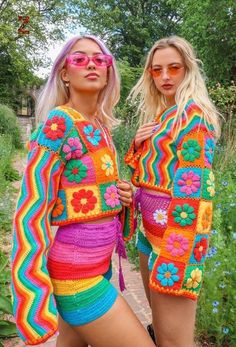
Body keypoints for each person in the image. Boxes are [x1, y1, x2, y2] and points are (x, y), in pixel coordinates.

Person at [11, 35, 155, 347]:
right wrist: (32, 293)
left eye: (100, 59)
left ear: (108, 71)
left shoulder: (100, 127)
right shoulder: (59, 124)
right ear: (65, 73)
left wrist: (122, 197)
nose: (91, 63)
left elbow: (91, 195)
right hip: (77, 275)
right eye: (80, 58)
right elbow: (31, 211)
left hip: (98, 266)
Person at [124, 36, 221, 347]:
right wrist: (138, 145)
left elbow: (196, 190)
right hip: (148, 235)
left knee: (174, 342)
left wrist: (177, 254)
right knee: (162, 331)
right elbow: (145, 175)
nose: (165, 76)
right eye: (157, 70)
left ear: (188, 70)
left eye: (174, 68)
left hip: (173, 242)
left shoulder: (192, 116)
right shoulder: (164, 115)